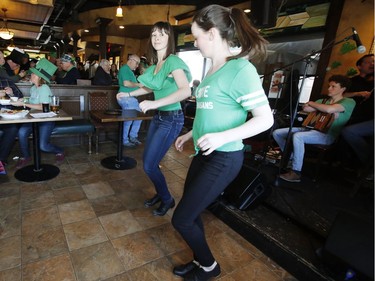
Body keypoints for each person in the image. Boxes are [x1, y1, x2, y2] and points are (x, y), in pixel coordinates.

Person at [171, 5, 273, 280]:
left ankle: (209, 267)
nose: (195, 42)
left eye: (196, 36)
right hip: (204, 153)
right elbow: (213, 111)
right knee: (189, 215)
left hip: (224, 157)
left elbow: (265, 120)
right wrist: (191, 134)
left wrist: (222, 136)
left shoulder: (241, 69)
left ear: (212, 33)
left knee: (180, 218)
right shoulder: (213, 69)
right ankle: (200, 261)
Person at [117, 21, 192, 216]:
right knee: (149, 162)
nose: (157, 38)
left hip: (172, 118)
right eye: (154, 34)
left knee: (150, 165)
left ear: (170, 38)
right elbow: (150, 87)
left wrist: (154, 104)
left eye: (162, 34)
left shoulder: (173, 61)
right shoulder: (156, 65)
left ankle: (167, 199)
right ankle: (161, 193)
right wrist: (128, 95)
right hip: (160, 117)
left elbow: (185, 90)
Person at [273, 75, 355, 183]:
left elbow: (329, 109)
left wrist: (313, 104)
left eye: (333, 86)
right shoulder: (323, 100)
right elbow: (306, 108)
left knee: (298, 136)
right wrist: (319, 107)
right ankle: (291, 158)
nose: (329, 89)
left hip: (327, 135)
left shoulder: (349, 102)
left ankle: (296, 172)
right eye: (329, 86)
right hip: (309, 129)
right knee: (277, 133)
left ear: (343, 89)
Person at [11, 58, 65, 169]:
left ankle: (60, 151)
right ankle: (26, 157)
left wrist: (24, 105)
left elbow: (43, 106)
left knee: (43, 146)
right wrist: (23, 101)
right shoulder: (33, 89)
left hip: (46, 120)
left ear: (39, 77)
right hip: (33, 118)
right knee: (21, 132)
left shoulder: (44, 88)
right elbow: (32, 101)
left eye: (33, 74)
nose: (30, 75)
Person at [341, 54, 374, 179]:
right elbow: (342, 96)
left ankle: (367, 165)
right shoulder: (352, 81)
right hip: (353, 116)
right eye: (369, 62)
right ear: (359, 66)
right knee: (344, 128)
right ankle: (352, 165)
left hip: (369, 117)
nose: (373, 64)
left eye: (374, 62)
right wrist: (357, 93)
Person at [116, 55, 143, 147]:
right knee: (129, 119)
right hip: (126, 98)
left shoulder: (129, 70)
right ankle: (125, 140)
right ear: (131, 60)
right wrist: (139, 85)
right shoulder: (125, 69)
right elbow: (126, 83)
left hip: (131, 98)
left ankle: (132, 136)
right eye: (137, 63)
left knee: (139, 117)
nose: (137, 66)